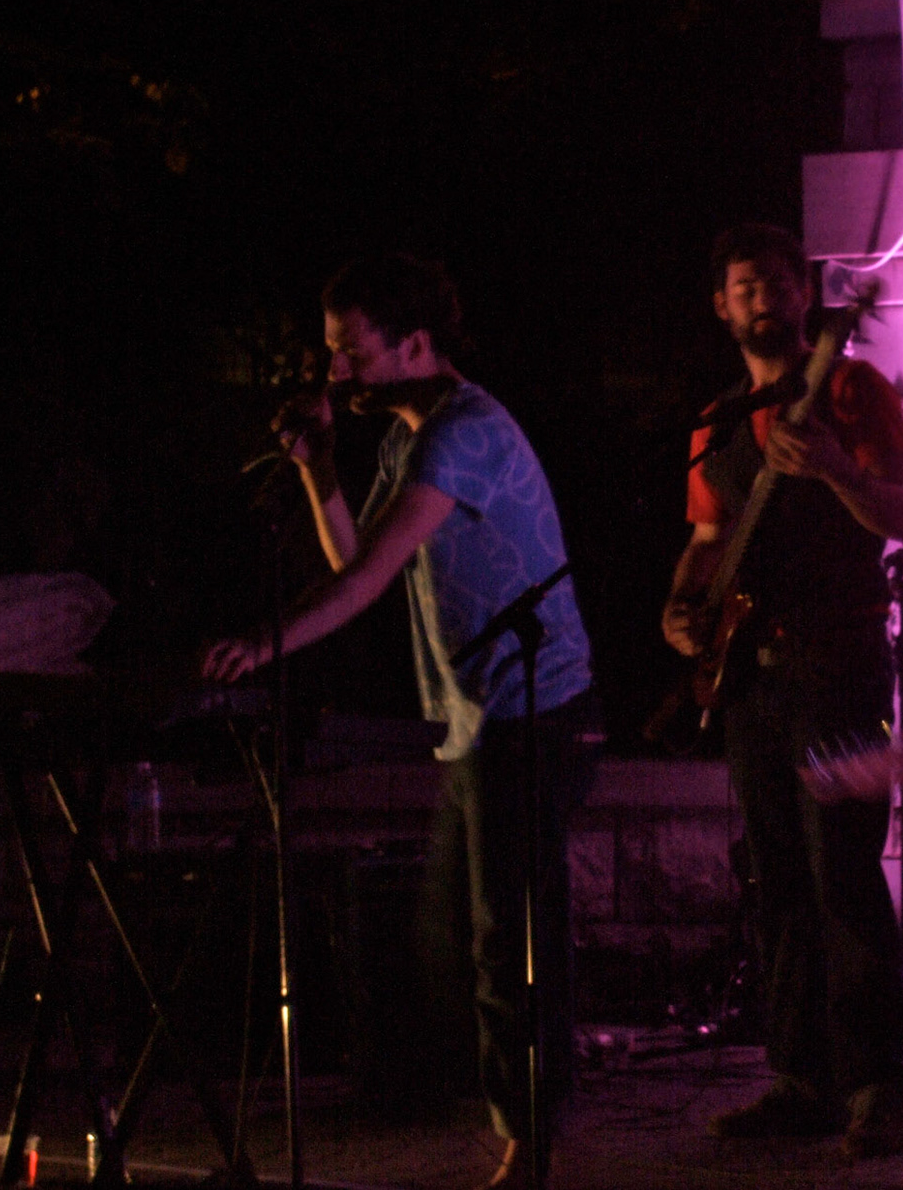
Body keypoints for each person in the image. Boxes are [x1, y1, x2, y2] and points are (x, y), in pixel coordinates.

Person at [202, 253, 595, 1189]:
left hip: (530, 711)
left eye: (353, 353)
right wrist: (319, 467)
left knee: (510, 939)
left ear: (417, 344)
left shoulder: (461, 434)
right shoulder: (408, 441)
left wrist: (266, 644)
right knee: (465, 937)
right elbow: (354, 555)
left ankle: (530, 1148)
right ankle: (519, 1127)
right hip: (482, 718)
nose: (337, 371)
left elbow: (365, 578)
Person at [661, 224, 903, 1158]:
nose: (765, 298)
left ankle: (881, 1084)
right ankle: (799, 1079)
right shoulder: (719, 421)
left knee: (843, 874)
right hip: (751, 682)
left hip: (838, 664)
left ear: (806, 298)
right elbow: (704, 546)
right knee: (775, 882)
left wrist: (840, 473)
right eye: (746, 286)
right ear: (723, 306)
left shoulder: (851, 391)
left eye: (779, 282)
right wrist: (677, 616)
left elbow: (898, 516)